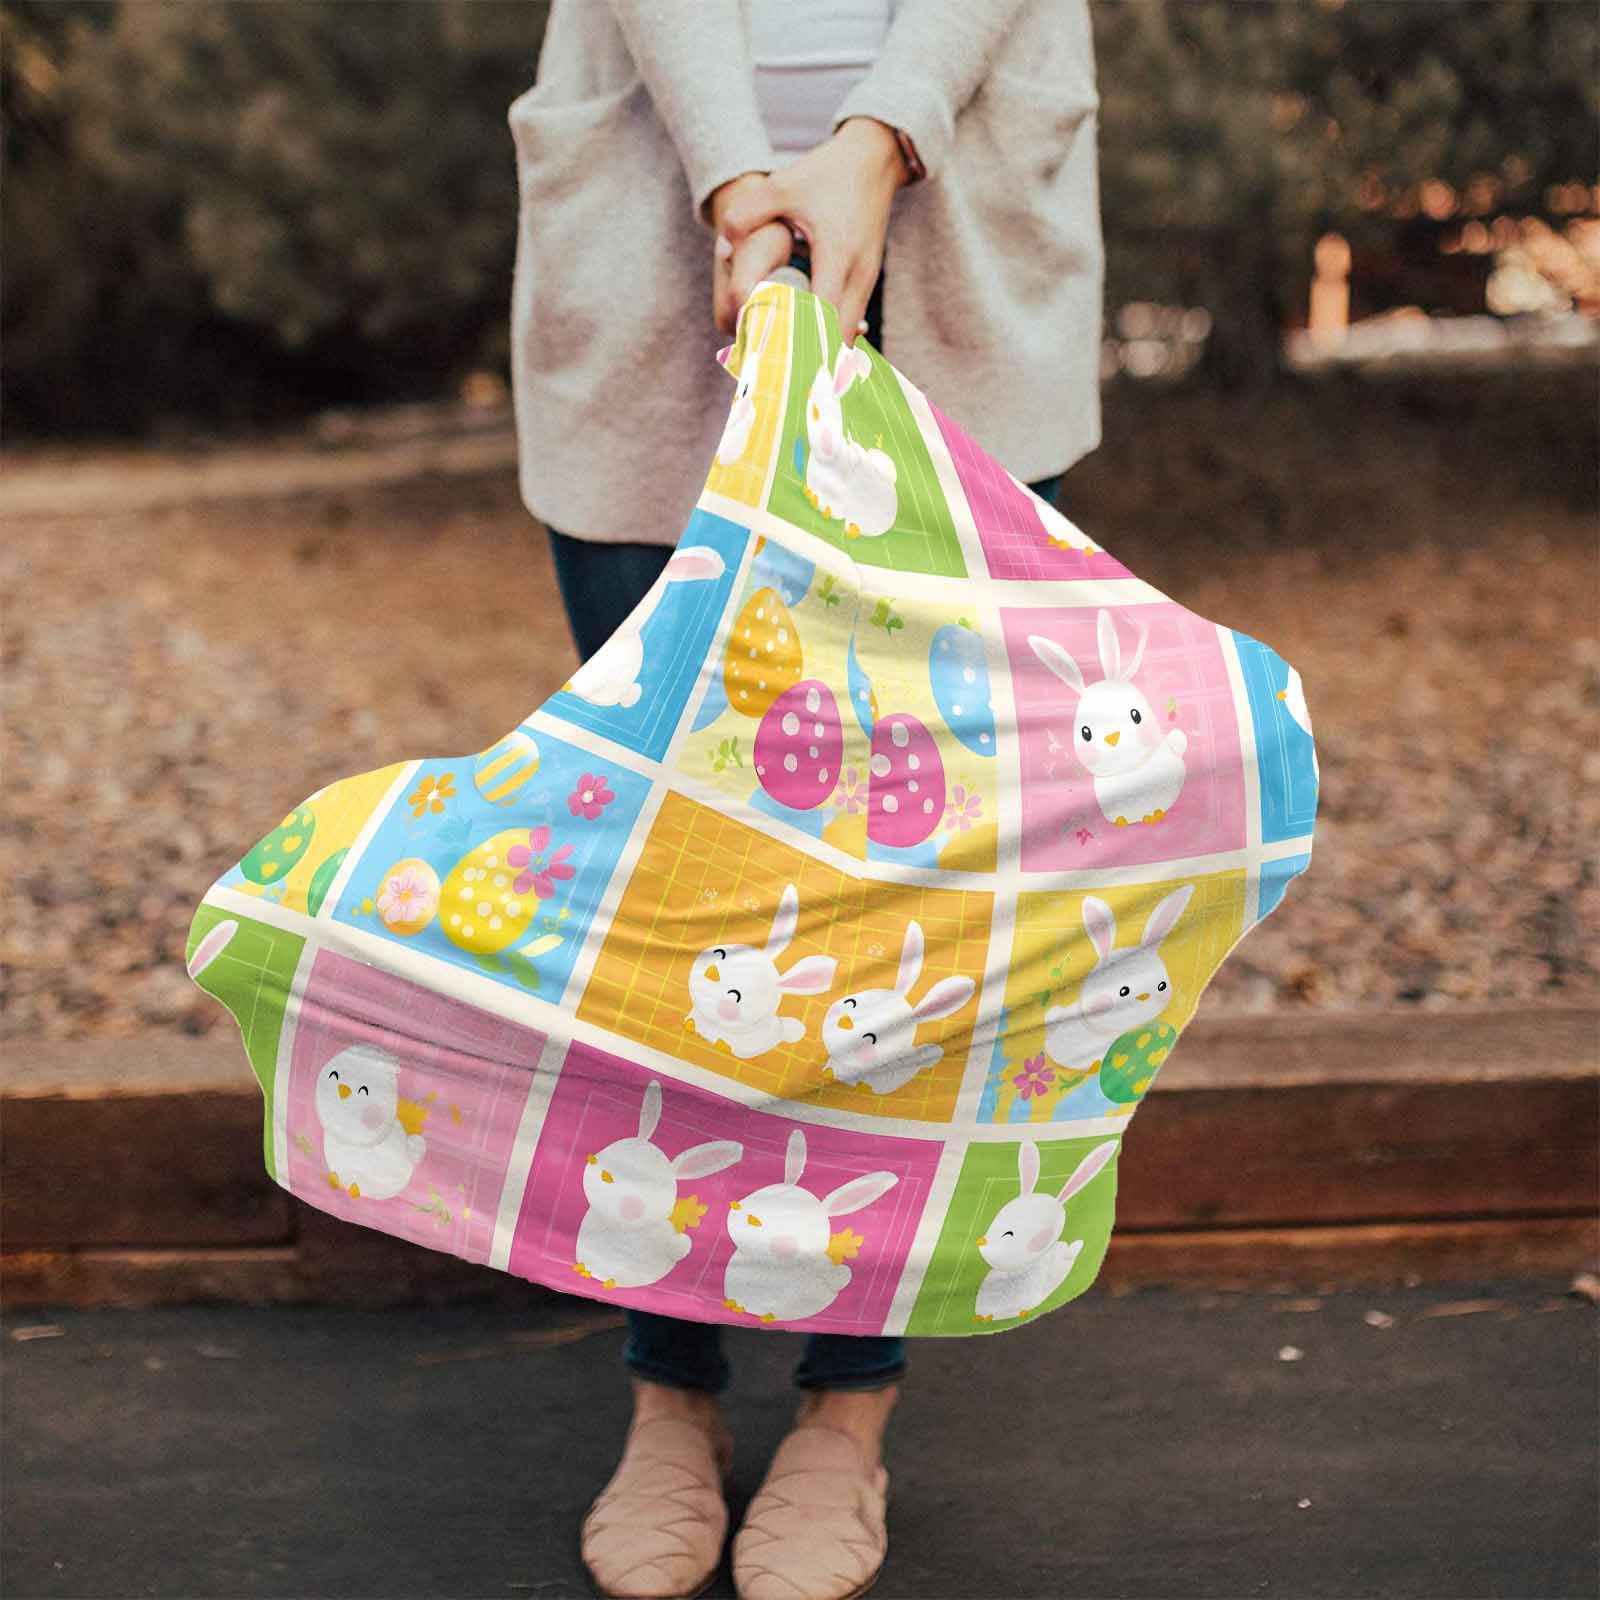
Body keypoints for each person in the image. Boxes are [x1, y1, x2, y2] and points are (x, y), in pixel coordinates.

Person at [505, 4, 1103, 1596]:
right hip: (656, 227)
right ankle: (670, 1390)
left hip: (959, 227)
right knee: (667, 877)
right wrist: (734, 178)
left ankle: (848, 1406)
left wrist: (876, 138)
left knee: (904, 892)